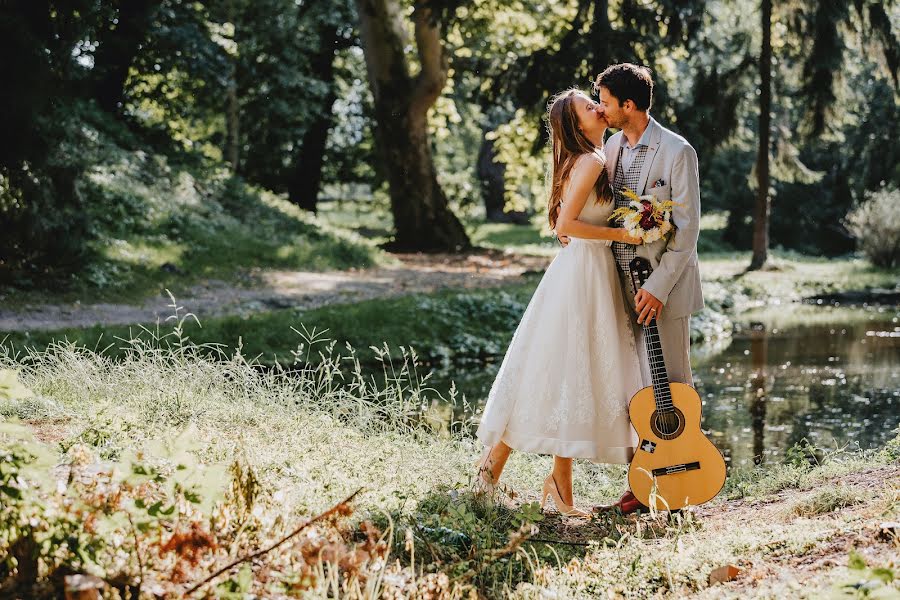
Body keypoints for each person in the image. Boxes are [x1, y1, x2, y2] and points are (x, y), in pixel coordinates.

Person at [474, 88, 643, 517]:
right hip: (581, 275)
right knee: (556, 373)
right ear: (575, 124)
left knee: (570, 375)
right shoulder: (589, 161)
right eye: (589, 107)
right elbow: (567, 224)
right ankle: (492, 472)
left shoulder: (597, 156)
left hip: (589, 272)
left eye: (596, 101)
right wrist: (622, 234)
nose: (597, 107)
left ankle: (558, 486)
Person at [574, 63, 705, 514]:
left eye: (605, 101)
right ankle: (642, 481)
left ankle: (683, 481)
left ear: (627, 105)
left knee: (673, 386)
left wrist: (660, 287)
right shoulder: (610, 147)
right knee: (635, 388)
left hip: (664, 292)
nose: (601, 108)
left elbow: (687, 232)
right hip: (620, 287)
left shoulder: (677, 152)